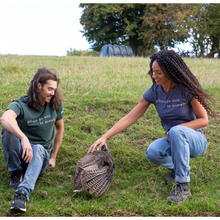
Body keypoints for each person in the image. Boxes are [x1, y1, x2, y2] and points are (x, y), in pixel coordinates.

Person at [88, 49, 218, 203]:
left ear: (171, 72)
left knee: (176, 131)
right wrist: (105, 136)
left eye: (159, 73)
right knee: (153, 152)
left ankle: (183, 186)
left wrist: (178, 129)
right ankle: (177, 168)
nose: (154, 76)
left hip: (195, 139)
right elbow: (130, 117)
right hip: (172, 139)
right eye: (153, 71)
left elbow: (204, 120)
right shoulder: (155, 92)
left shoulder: (186, 90)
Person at [0, 67, 64, 212]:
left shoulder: (55, 105)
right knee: (7, 131)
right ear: (38, 86)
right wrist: (23, 138)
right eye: (49, 89)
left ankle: (22, 194)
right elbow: (5, 118)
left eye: (54, 89)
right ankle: (16, 172)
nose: (53, 93)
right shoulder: (21, 104)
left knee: (39, 148)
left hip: (40, 157)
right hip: (22, 153)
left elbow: (60, 128)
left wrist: (53, 157)